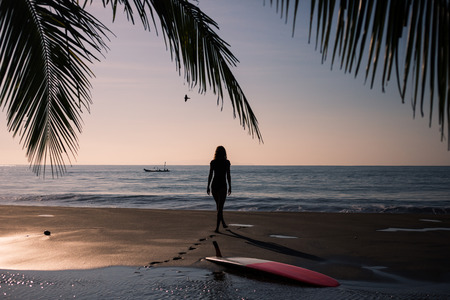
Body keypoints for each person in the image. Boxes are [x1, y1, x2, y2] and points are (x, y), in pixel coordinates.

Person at [207, 146, 231, 233]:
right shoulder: (226, 162)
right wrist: (230, 187)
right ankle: (217, 228)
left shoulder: (213, 162)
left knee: (218, 206)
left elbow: (210, 175)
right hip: (222, 186)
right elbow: (228, 176)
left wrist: (208, 186)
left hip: (214, 185)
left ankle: (223, 223)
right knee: (220, 207)